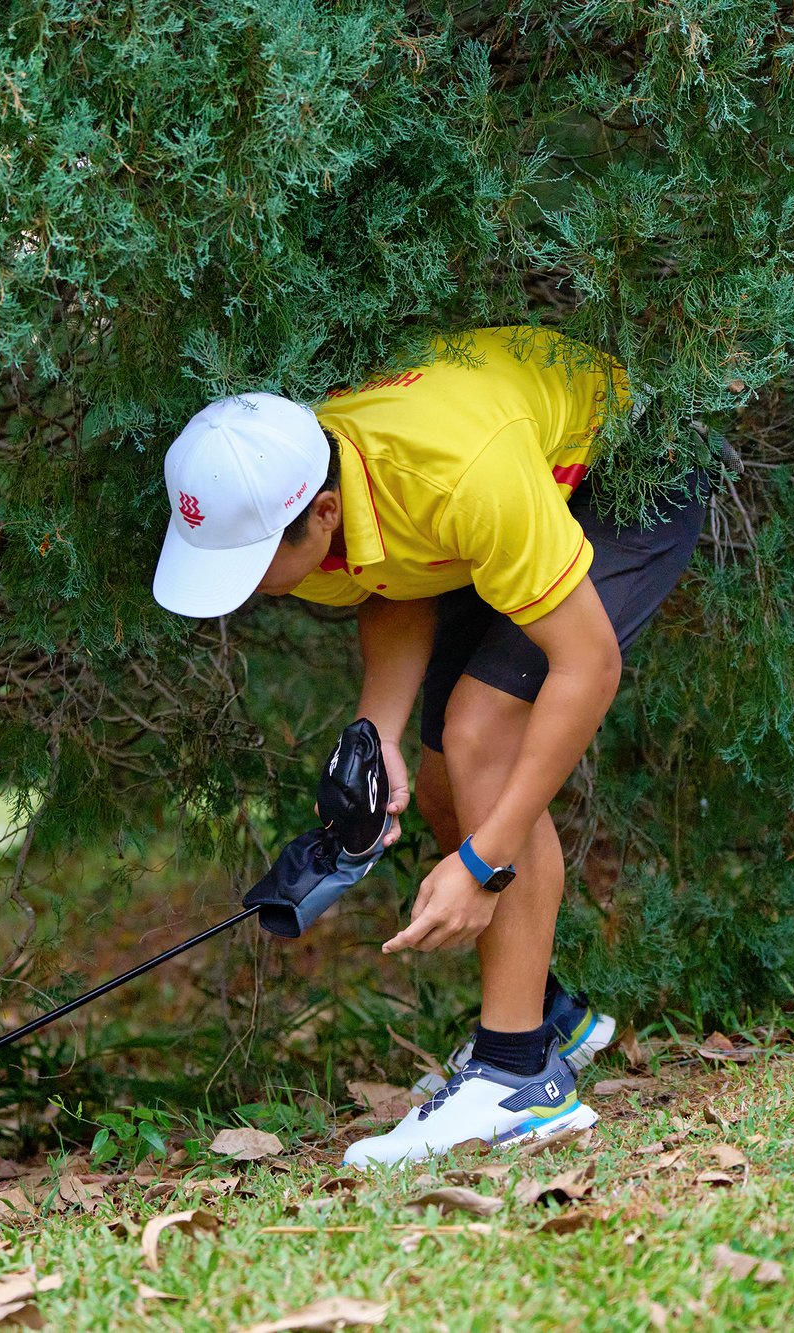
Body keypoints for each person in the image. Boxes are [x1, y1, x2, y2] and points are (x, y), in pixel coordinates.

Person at [151, 326, 706, 1165]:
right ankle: (547, 1016)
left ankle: (519, 1081)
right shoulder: (316, 483)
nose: (245, 587)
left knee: (483, 733)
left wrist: (484, 863)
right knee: (447, 776)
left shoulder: (453, 475)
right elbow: (393, 572)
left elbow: (587, 667)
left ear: (320, 515)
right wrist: (380, 725)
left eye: (254, 561)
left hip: (629, 471)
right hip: (514, 487)